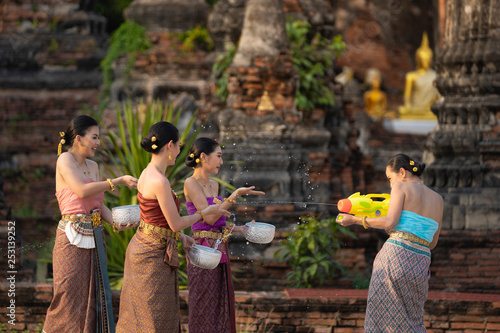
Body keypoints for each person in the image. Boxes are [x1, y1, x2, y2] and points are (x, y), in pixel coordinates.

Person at [116, 123, 230, 332]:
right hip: (150, 255)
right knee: (151, 320)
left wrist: (179, 237)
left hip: (150, 248)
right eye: (178, 146)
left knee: (154, 317)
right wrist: (203, 213)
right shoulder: (159, 180)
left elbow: (154, 219)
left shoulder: (147, 173)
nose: (179, 152)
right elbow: (175, 222)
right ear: (170, 145)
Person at [43, 115, 138, 333]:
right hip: (70, 237)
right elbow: (81, 191)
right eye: (94, 137)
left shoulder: (93, 166)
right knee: (67, 295)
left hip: (94, 235)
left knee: (94, 297)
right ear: (79, 139)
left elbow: (96, 204)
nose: (98, 142)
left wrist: (117, 222)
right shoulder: (64, 160)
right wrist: (117, 181)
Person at [336, 153, 443, 333]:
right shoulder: (438, 199)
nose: (390, 184)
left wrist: (355, 220)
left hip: (396, 256)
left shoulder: (401, 186)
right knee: (413, 319)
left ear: (402, 172)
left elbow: (389, 222)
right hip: (421, 263)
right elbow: (432, 243)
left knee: (382, 320)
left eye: (390, 178)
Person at [183, 137, 265, 333]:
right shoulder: (190, 183)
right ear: (203, 157)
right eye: (218, 156)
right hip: (201, 251)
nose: (221, 161)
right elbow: (209, 217)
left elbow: (218, 223)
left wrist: (240, 229)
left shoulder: (214, 186)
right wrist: (234, 195)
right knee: (202, 305)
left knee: (220, 305)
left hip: (219, 250)